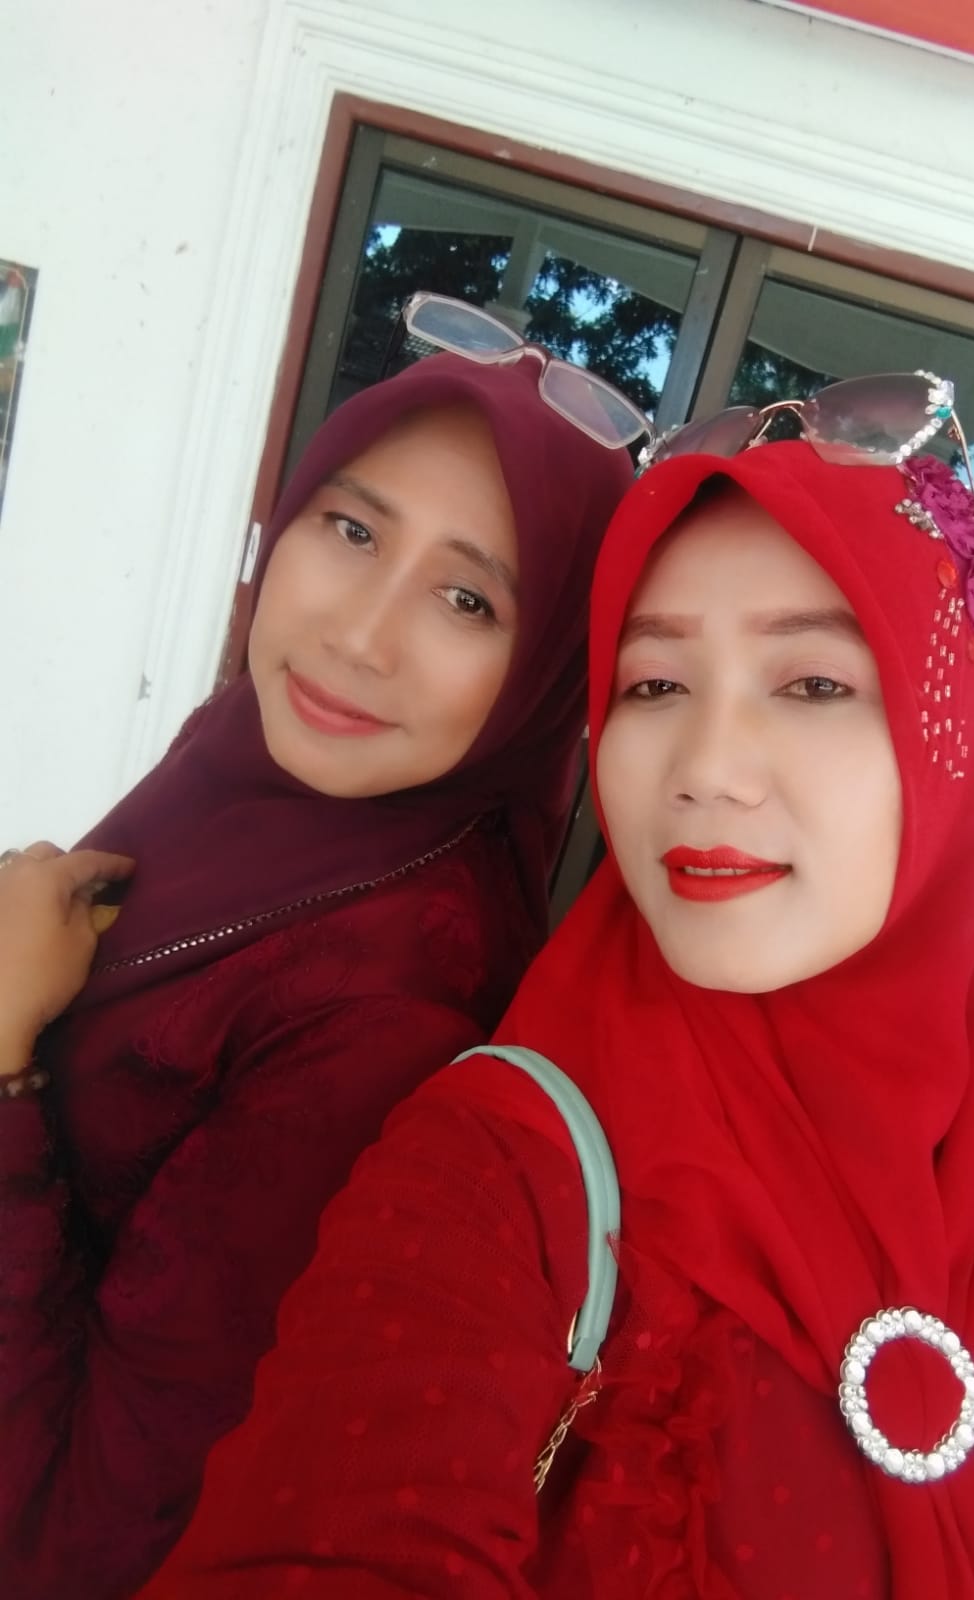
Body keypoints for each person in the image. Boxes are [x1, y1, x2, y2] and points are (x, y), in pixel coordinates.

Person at [137, 401, 974, 1599]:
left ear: (961, 734)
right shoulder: (501, 1177)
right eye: (652, 685)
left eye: (811, 682)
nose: (705, 770)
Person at [0, 344, 634, 1600]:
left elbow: (80, 1533)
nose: (358, 633)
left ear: (552, 674)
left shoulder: (389, 1010)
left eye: (468, 600)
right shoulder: (249, 756)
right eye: (351, 529)